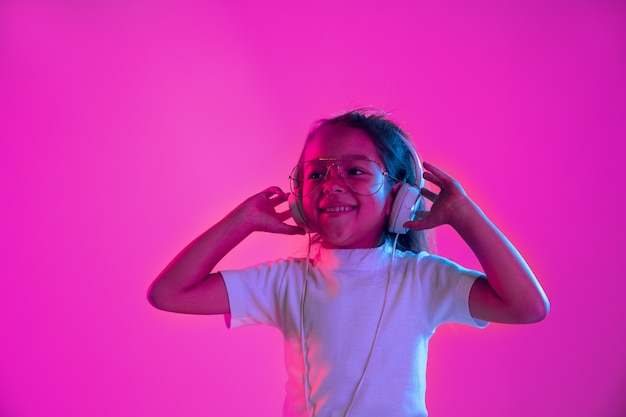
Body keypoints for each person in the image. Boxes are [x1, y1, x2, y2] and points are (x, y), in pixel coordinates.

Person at [147, 108, 550, 417]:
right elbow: (169, 293)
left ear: (398, 196)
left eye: (355, 171)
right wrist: (242, 222)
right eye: (316, 175)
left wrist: (465, 214)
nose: (332, 184)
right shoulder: (285, 282)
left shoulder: (422, 279)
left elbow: (527, 306)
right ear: (298, 197)